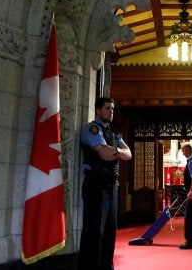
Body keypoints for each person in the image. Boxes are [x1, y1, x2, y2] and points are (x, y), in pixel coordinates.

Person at [79, 97, 132, 269]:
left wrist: (114, 150)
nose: (111, 111)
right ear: (98, 110)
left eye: (113, 108)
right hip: (96, 185)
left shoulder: (115, 133)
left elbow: (129, 154)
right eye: (108, 108)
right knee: (95, 230)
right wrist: (118, 152)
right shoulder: (92, 130)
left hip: (112, 186)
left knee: (110, 230)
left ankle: (107, 266)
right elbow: (103, 154)